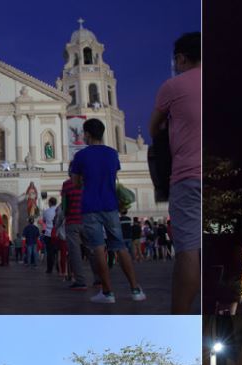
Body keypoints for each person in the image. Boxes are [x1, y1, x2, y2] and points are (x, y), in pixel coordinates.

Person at [150, 32, 201, 313]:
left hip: (188, 176)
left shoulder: (173, 86)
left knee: (188, 252)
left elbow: (153, 128)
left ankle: (180, 315)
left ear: (181, 58)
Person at [70, 118, 145, 303]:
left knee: (98, 249)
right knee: (120, 247)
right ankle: (136, 290)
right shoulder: (112, 154)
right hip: (111, 205)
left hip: (90, 207)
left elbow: (76, 183)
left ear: (87, 134)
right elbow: (113, 176)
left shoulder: (81, 156)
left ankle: (108, 292)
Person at [62, 173, 87, 290]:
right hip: (87, 220)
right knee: (92, 250)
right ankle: (99, 279)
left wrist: (65, 216)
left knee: (75, 252)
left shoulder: (67, 184)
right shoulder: (87, 182)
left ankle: (80, 281)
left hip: (72, 221)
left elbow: (64, 206)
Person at [41, 197, 59, 273]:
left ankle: (49, 269)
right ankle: (59, 268)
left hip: (48, 234)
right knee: (58, 252)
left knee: (49, 253)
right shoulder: (59, 210)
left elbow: (44, 220)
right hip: (58, 234)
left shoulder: (46, 211)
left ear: (50, 203)